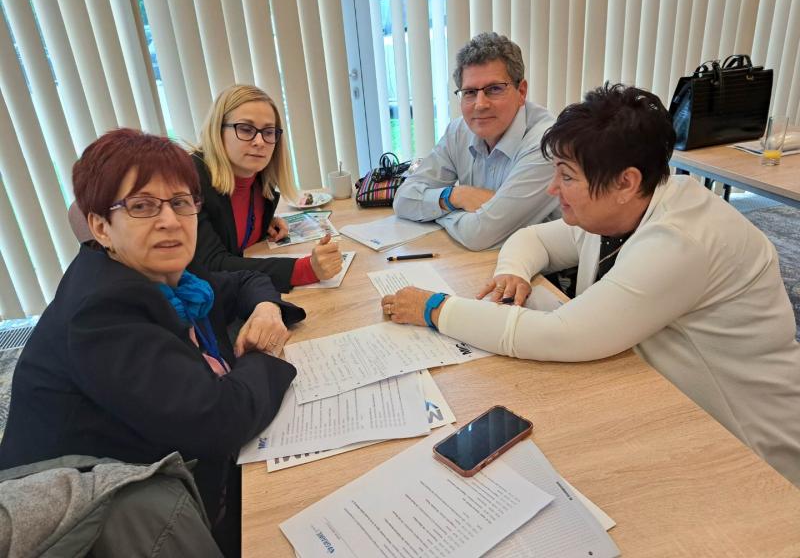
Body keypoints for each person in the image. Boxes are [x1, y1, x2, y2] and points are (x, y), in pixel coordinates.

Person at [381, 84, 800, 487]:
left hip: (749, 446)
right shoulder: (627, 205)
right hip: (673, 398)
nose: (553, 189)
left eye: (567, 177)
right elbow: (533, 238)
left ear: (625, 182)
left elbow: (562, 334)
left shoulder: (681, 240)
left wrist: (436, 308)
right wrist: (513, 272)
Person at [0, 129, 306, 555]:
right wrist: (264, 357)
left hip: (166, 480)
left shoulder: (168, 276)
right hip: (99, 526)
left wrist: (267, 310)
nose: (169, 220)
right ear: (101, 227)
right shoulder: (101, 310)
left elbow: (243, 280)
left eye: (181, 202)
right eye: (142, 206)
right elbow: (217, 421)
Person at [393, 32, 560, 250]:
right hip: (480, 260)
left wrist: (438, 212)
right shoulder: (458, 132)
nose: (480, 105)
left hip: (540, 268)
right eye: (470, 92)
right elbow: (403, 200)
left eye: (494, 89)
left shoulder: (547, 144)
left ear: (521, 92)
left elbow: (479, 235)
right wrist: (455, 196)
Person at [190, 84, 342, 292]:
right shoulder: (189, 181)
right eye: (246, 129)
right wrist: (303, 269)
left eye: (268, 132)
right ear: (218, 130)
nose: (260, 141)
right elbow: (212, 265)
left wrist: (260, 224)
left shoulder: (259, 177)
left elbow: (230, 230)